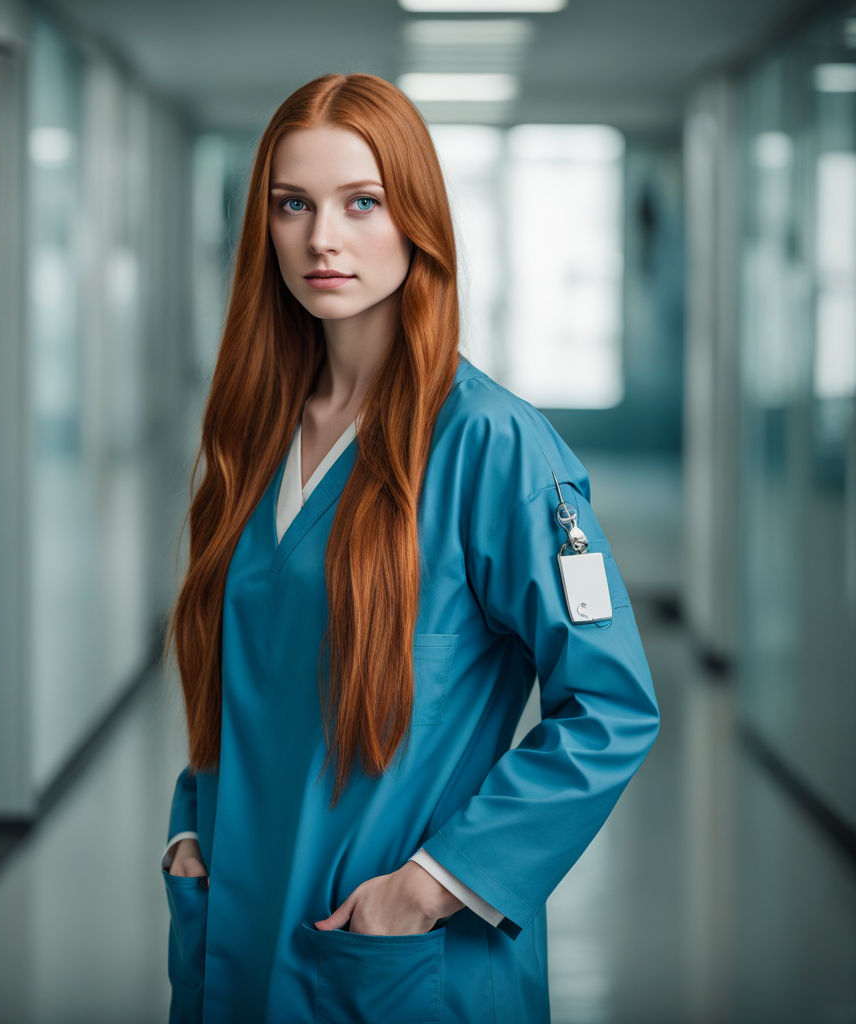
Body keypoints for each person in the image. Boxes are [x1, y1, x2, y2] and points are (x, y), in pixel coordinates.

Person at [158, 72, 660, 1024]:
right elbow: (246, 682)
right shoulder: (254, 437)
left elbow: (612, 707)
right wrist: (191, 826)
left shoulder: (491, 446)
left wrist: (431, 885)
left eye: (362, 202)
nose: (322, 239)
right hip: (237, 931)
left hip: (386, 956)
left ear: (416, 218)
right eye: (292, 205)